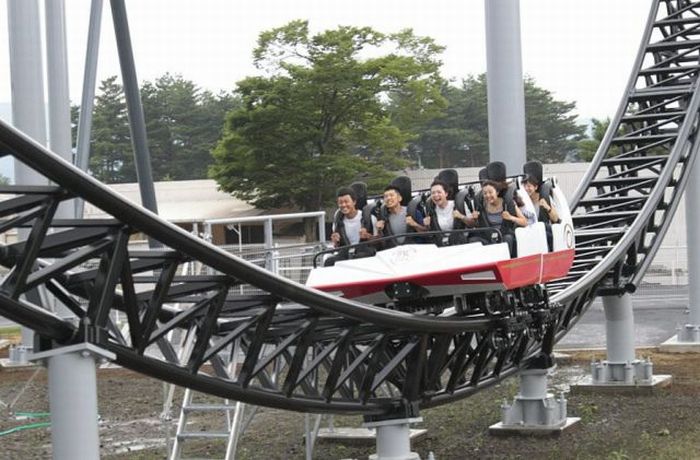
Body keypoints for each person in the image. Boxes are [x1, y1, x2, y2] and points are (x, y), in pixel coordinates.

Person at [471, 179, 527, 257]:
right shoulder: (481, 206)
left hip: (504, 236)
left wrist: (510, 217)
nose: (488, 195)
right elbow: (476, 224)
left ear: (497, 192)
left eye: (490, 192)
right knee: (473, 240)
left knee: (508, 238)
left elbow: (524, 222)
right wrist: (474, 218)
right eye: (485, 193)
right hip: (489, 238)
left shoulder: (508, 203)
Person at [324, 187, 375, 266]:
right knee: (328, 262)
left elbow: (380, 241)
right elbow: (337, 246)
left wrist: (368, 236)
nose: (343, 205)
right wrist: (336, 242)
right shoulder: (338, 221)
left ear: (354, 202)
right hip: (346, 253)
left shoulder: (368, 217)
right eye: (340, 203)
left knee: (359, 257)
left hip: (365, 252)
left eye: (346, 202)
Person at [419, 180, 475, 245]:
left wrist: (461, 216)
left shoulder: (458, 205)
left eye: (439, 192)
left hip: (460, 243)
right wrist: (427, 225)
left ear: (446, 194)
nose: (436, 195)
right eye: (433, 193)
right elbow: (430, 233)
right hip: (441, 244)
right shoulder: (430, 210)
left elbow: (472, 224)